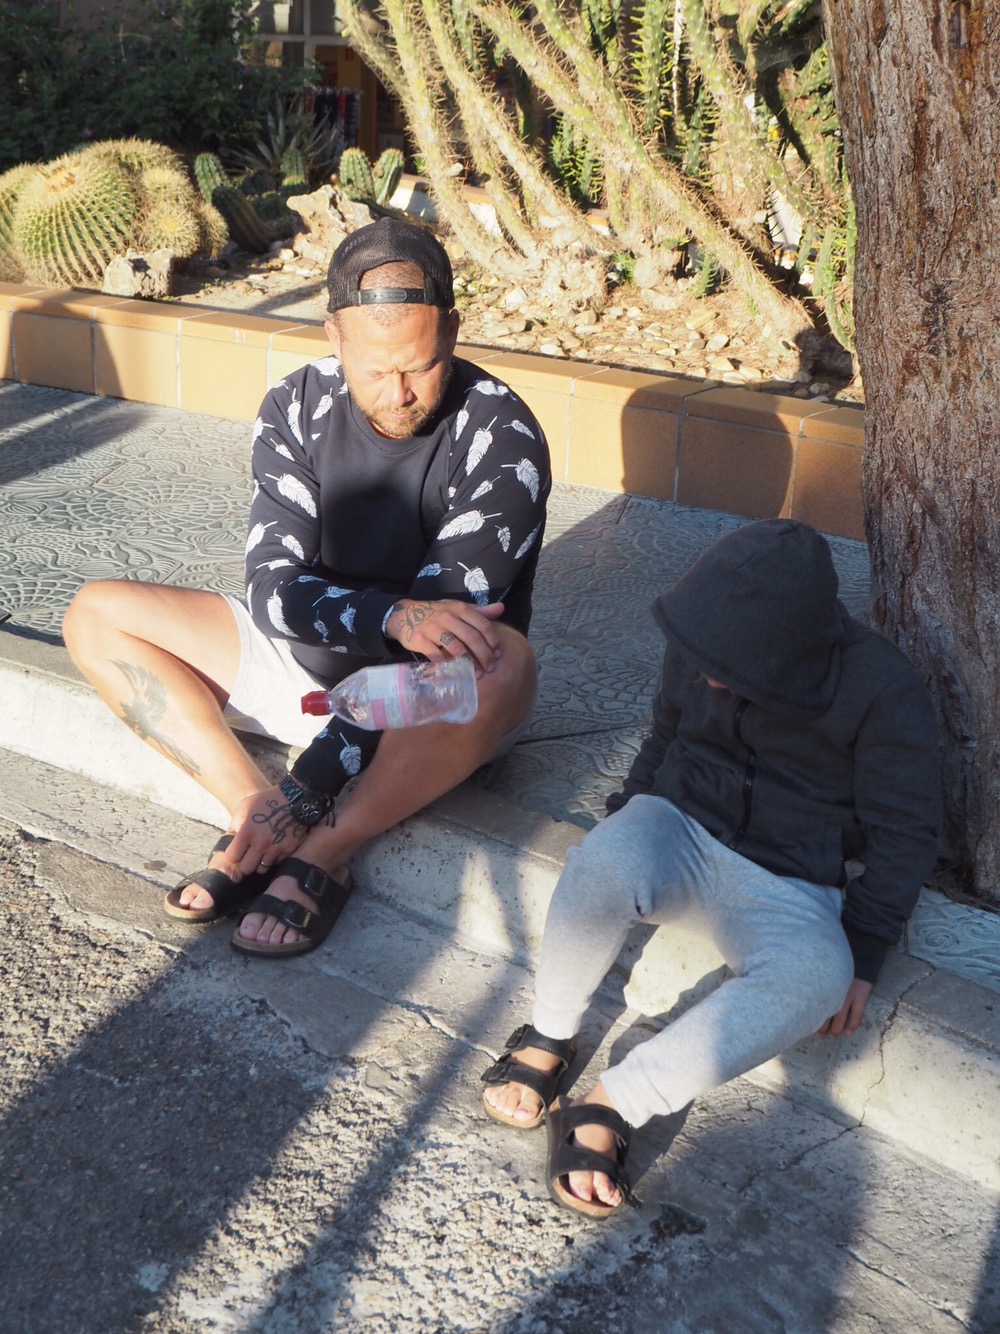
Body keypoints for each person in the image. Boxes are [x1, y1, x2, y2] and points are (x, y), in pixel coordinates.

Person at [63, 218, 550, 959]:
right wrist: (390, 616)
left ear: (452, 331)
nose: (399, 394)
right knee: (96, 614)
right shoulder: (296, 405)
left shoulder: (503, 434)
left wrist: (309, 791)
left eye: (420, 367)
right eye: (375, 370)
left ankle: (324, 851)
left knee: (504, 664)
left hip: (425, 702)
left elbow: (434, 643)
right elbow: (272, 590)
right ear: (334, 337)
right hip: (305, 666)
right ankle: (246, 804)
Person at [481, 519, 941, 1219]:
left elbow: (906, 830)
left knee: (821, 973)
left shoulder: (883, 688)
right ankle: (550, 1033)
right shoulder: (700, 637)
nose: (703, 675)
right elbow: (664, 737)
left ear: (783, 658)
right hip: (680, 825)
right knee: (602, 856)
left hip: (788, 881)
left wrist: (868, 943)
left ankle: (614, 1102)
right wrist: (627, 822)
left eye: (723, 667)